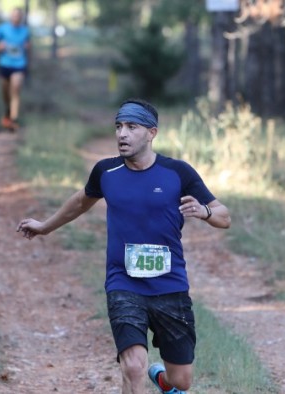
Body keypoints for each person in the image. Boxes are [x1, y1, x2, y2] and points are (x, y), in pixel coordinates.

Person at [16, 99, 231, 394]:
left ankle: (164, 381)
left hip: (170, 285)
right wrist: (44, 227)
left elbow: (224, 216)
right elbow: (81, 201)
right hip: (123, 283)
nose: (122, 134)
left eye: (132, 127)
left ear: (151, 133)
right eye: (118, 127)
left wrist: (205, 213)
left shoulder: (177, 173)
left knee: (182, 381)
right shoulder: (107, 172)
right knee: (132, 366)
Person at [0, 7, 31, 132]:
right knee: (5, 93)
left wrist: (27, 47)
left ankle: (13, 119)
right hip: (4, 64)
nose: (16, 17)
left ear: (21, 17)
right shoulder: (2, 29)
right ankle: (7, 112)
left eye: (19, 16)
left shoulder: (25, 31)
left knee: (15, 90)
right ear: (11, 17)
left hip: (19, 65)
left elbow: (28, 45)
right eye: (14, 15)